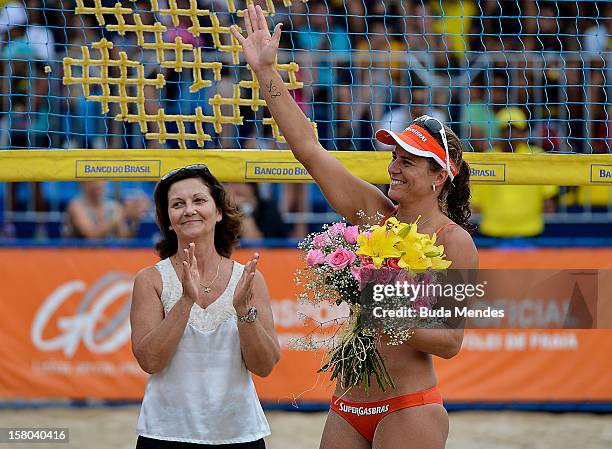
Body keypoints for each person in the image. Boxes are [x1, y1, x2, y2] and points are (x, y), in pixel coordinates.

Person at [232, 6, 478, 449]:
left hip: (409, 406)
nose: (394, 168)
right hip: (347, 405)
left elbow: (450, 341)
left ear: (440, 175)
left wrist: (385, 310)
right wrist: (265, 69)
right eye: (394, 158)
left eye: (407, 162)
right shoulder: (373, 214)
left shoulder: (453, 242)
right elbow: (307, 147)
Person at [130, 165, 280, 448]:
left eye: (199, 200)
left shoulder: (248, 279)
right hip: (165, 434)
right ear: (169, 222)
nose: (189, 210)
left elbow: (264, 366)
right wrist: (186, 301)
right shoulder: (150, 279)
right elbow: (150, 361)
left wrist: (243, 313)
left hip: (239, 434)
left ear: (219, 211)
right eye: (178, 204)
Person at [471, 107, 558, 238]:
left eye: (516, 129)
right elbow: (476, 201)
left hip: (530, 231)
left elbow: (549, 200)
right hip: (493, 231)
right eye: (506, 129)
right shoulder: (487, 158)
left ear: (524, 133)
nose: (511, 134)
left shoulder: (536, 156)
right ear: (499, 132)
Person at [63, 181, 149, 239]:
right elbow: (91, 236)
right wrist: (123, 214)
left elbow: (124, 238)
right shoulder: (76, 205)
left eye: (102, 179)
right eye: (93, 180)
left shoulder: (114, 206)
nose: (98, 183)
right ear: (83, 183)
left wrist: (135, 220)